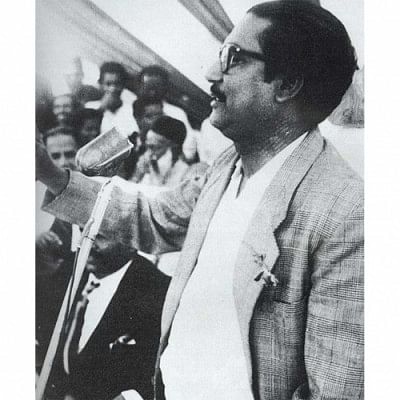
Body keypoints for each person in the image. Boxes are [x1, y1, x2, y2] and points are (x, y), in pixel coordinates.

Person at [37, 2, 363, 399]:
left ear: (286, 85)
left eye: (233, 58)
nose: (211, 73)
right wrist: (49, 173)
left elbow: (335, 391)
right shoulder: (226, 167)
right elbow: (152, 217)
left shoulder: (347, 214)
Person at [42, 233, 170, 400]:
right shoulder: (62, 268)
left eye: (100, 236)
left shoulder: (160, 292)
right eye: (84, 230)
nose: (87, 242)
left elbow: (155, 376)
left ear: (132, 243)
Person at [138, 65, 198, 163]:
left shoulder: (176, 113)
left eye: (156, 88)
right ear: (141, 86)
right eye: (148, 87)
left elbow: (188, 146)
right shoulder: (130, 108)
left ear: (164, 88)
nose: (152, 92)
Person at [86, 62, 138, 137]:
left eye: (117, 84)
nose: (113, 89)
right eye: (108, 84)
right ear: (100, 85)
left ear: (123, 85)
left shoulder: (131, 108)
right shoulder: (90, 107)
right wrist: (101, 109)